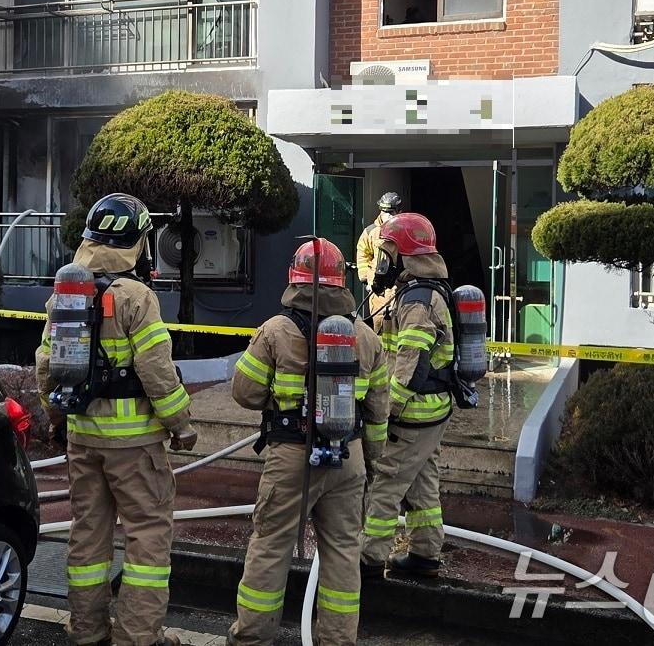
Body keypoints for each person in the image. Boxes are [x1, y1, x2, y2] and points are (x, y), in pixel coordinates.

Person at [35, 193, 197, 646]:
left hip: (83, 439)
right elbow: (157, 370)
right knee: (147, 540)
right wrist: (181, 425)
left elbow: (45, 366)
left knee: (87, 536)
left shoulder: (64, 295)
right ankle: (136, 637)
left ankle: (87, 632)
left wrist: (55, 418)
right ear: (139, 242)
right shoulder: (136, 297)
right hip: (136, 447)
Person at [228, 239, 389, 646]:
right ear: (341, 282)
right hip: (347, 458)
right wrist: (369, 462)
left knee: (270, 547)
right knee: (342, 554)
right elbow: (377, 413)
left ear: (294, 280)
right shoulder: (366, 337)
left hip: (291, 457)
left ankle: (252, 638)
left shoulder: (276, 331)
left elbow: (243, 392)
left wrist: (281, 402)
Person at [359, 212, 454, 580]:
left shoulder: (418, 302)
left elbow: (410, 369)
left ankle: (367, 561)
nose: (383, 260)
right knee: (421, 482)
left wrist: (384, 410)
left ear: (404, 255)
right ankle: (425, 554)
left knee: (385, 483)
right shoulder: (423, 292)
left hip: (413, 413)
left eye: (388, 251)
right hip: (432, 412)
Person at [355, 192, 403, 331]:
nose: (387, 215)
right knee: (380, 324)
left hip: (399, 287)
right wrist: (366, 278)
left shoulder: (405, 231)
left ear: (400, 212)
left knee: (400, 324)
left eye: (391, 212)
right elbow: (363, 253)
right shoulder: (371, 231)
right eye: (384, 211)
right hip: (378, 290)